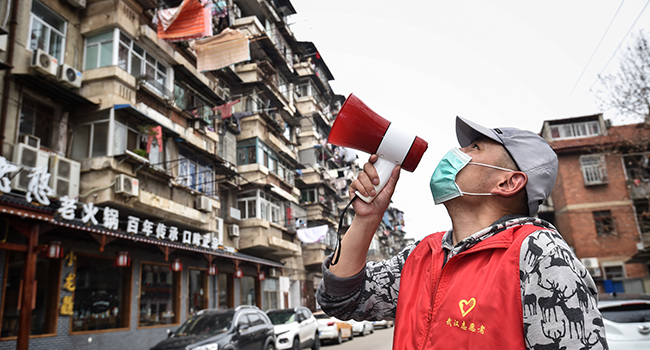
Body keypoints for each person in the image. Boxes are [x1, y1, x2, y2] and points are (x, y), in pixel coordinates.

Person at [316, 117, 608, 350]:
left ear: (509, 183)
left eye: (475, 148)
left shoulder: (538, 254)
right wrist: (367, 220)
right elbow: (338, 300)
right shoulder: (421, 255)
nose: (456, 153)